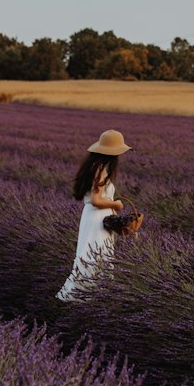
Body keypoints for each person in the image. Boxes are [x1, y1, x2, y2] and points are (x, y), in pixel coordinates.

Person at [56, 129, 143, 301]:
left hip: (95, 217)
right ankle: (87, 298)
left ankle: (89, 297)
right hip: (97, 218)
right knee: (95, 258)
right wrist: (116, 204)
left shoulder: (96, 166)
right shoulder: (101, 169)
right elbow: (96, 200)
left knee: (93, 256)